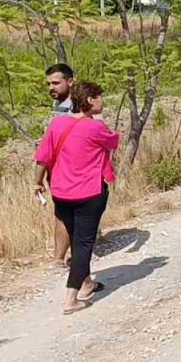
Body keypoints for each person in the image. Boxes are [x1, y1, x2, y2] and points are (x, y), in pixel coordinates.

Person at [33, 81, 116, 315]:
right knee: (83, 244)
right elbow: (113, 141)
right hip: (89, 193)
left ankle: (87, 282)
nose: (102, 101)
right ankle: (71, 298)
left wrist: (37, 182)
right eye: (99, 97)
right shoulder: (96, 127)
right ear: (89, 100)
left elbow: (42, 157)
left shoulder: (57, 124)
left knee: (74, 236)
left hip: (61, 193)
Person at [41, 63, 75, 268]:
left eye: (56, 83)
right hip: (58, 169)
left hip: (70, 169)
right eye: (48, 84)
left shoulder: (77, 106)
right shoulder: (59, 105)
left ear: (70, 81)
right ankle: (62, 257)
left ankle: (63, 257)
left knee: (66, 212)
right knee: (64, 212)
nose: (51, 88)